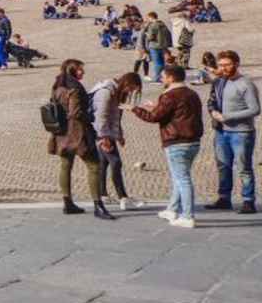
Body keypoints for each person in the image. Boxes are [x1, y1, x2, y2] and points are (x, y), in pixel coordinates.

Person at [133, 63, 205, 228]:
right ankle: (172, 209)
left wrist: (135, 109)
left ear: (171, 77)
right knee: (178, 177)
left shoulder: (169, 96)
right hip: (193, 141)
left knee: (183, 179)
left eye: (163, 76)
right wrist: (155, 107)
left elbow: (154, 118)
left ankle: (187, 216)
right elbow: (177, 112)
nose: (161, 78)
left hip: (177, 141)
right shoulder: (192, 93)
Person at [47, 59, 113, 219]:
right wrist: (90, 117)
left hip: (61, 132)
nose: (83, 72)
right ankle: (98, 205)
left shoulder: (57, 85)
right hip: (77, 132)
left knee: (65, 165)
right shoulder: (74, 88)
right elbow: (76, 112)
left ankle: (67, 202)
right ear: (72, 70)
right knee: (94, 166)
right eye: (80, 70)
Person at [206, 50, 260, 213]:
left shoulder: (246, 84)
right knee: (223, 166)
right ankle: (224, 198)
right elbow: (211, 101)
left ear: (236, 64)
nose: (223, 68)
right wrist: (213, 112)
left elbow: (255, 109)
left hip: (241, 132)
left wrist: (228, 116)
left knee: (244, 167)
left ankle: (248, 200)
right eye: (221, 65)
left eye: (227, 64)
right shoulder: (218, 82)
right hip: (221, 131)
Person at [90, 72, 143, 211]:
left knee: (103, 163)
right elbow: (100, 117)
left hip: (108, 133)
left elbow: (115, 117)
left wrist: (119, 135)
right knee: (116, 162)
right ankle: (123, 197)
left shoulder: (116, 93)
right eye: (131, 89)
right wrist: (104, 138)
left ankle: (103, 195)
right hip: (102, 134)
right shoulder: (106, 93)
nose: (130, 92)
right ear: (126, 83)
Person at [141, 12, 172, 83]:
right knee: (162, 63)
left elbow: (151, 37)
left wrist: (146, 34)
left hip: (155, 46)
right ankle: (163, 77)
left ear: (151, 17)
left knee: (157, 63)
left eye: (148, 18)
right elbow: (168, 34)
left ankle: (157, 78)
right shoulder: (163, 24)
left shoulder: (153, 25)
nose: (147, 19)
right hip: (163, 46)